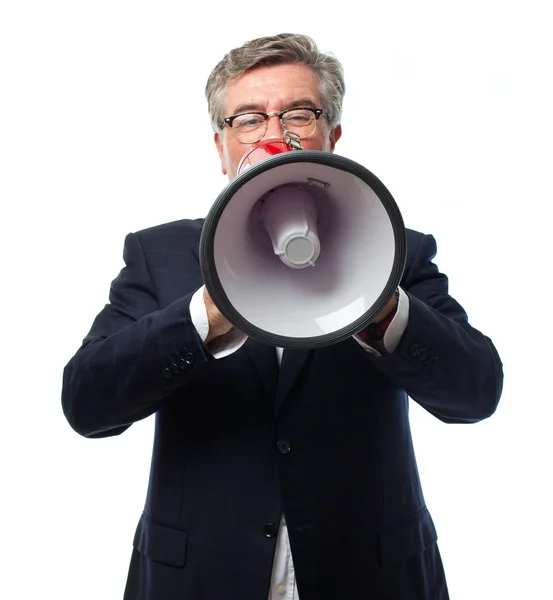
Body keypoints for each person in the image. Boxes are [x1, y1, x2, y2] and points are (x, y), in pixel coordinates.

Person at [61, 33, 503, 600]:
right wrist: (199, 318)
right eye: (247, 118)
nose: (274, 134)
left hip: (370, 578)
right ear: (220, 146)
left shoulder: (394, 252)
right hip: (199, 580)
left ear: (332, 137)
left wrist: (383, 310)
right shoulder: (159, 256)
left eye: (298, 112)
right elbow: (87, 405)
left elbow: (477, 394)